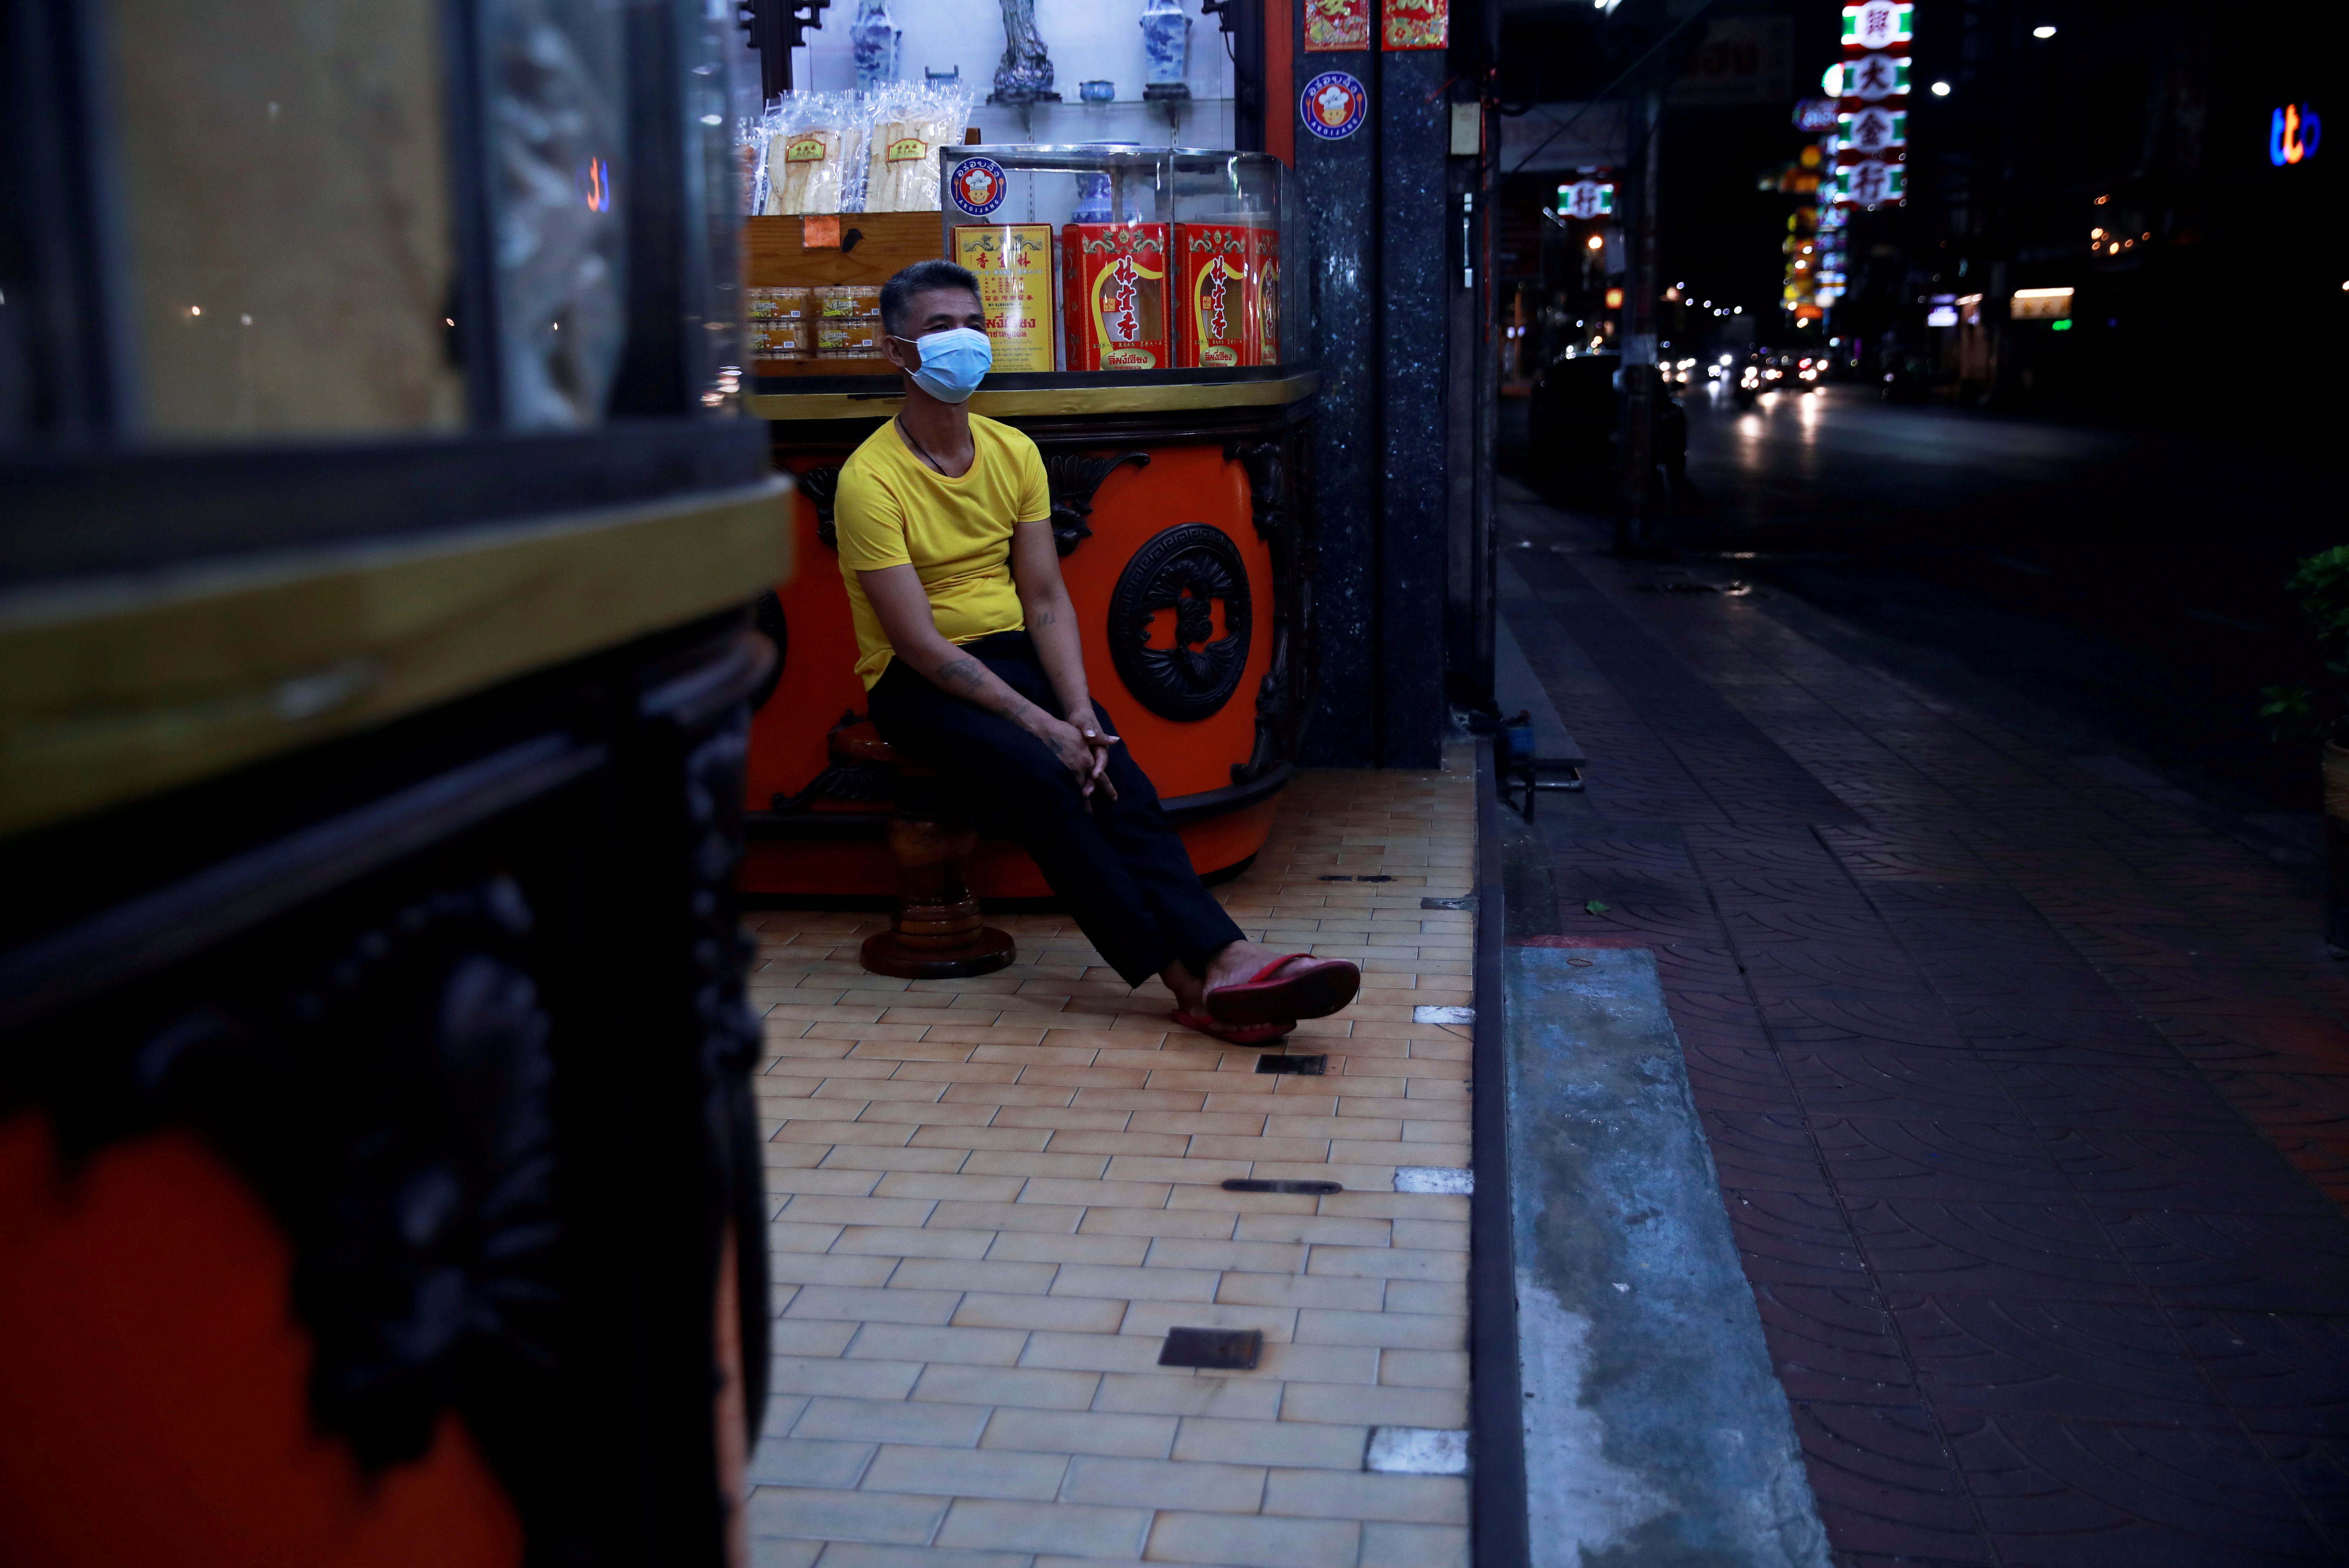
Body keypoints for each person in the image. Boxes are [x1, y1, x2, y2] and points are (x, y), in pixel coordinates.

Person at [832, 259, 1358, 1045]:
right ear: (897, 352)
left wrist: (1076, 710)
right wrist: (1041, 726)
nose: (963, 341)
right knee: (1047, 775)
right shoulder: (868, 480)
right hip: (917, 683)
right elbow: (917, 642)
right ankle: (1188, 981)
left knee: (1114, 773)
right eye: (940, 328)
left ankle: (1225, 953)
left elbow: (1044, 599)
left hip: (1008, 658)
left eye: (973, 323)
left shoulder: (1013, 454)